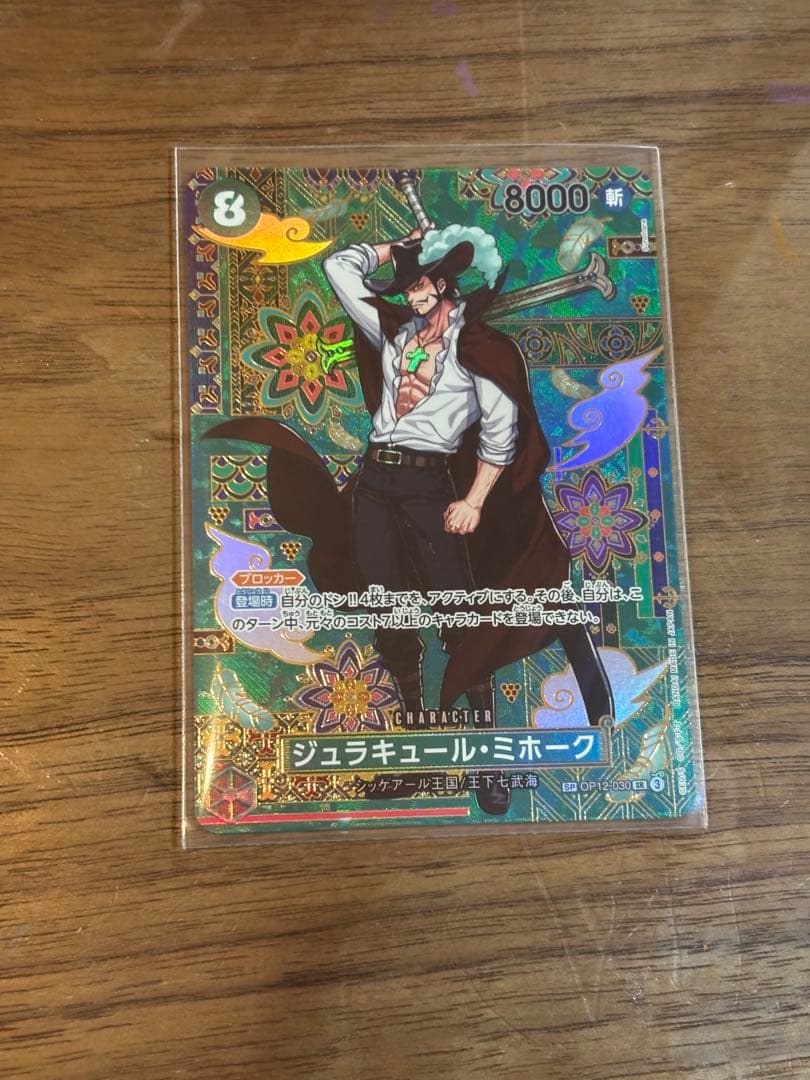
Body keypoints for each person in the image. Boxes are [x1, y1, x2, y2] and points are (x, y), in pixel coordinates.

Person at [323, 230, 614, 815]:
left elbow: (501, 434)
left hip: (434, 487)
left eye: (418, 284)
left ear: (445, 283)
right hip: (376, 482)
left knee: (460, 618)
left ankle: (486, 759)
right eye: (404, 286)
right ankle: (414, 756)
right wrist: (398, 246)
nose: (409, 295)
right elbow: (338, 267)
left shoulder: (480, 349)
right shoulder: (392, 330)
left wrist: (476, 500)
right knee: (387, 611)